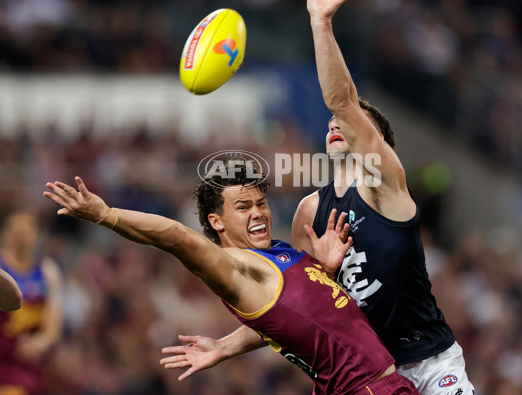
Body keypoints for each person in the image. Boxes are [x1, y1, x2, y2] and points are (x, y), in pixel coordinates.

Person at [164, 0, 475, 395]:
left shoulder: (385, 185)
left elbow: (343, 100)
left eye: (348, 123)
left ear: (377, 142)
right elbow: (296, 305)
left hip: (431, 363)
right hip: (364, 377)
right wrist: (225, 345)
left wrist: (321, 23)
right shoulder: (311, 211)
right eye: (331, 121)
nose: (335, 122)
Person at [43, 167, 419, 395]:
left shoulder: (276, 254)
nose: (258, 213)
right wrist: (106, 214)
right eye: (242, 207)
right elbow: (177, 237)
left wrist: (225, 347)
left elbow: (294, 321)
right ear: (216, 222)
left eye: (260, 203)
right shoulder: (236, 266)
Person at [0, 210, 63, 395]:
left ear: (36, 235)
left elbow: (53, 323)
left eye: (26, 232)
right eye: (16, 232)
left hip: (34, 363)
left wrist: (41, 342)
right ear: (4, 234)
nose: (21, 238)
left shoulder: (47, 271)